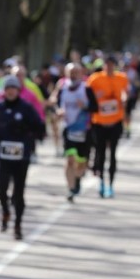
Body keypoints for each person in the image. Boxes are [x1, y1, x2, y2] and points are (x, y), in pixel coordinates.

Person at [0, 76, 45, 240]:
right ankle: (5, 212)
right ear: (4, 91)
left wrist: (28, 132)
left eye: (14, 88)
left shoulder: (26, 108)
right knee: (1, 189)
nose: (10, 91)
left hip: (21, 156)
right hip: (3, 155)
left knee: (18, 193)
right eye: (8, 88)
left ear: (19, 90)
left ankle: (18, 225)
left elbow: (39, 126)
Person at [86, 55, 128, 198]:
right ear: (103, 65)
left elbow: (126, 93)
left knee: (113, 154)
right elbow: (87, 97)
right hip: (99, 122)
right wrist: (95, 97)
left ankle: (111, 185)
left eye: (111, 65)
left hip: (116, 121)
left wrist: (124, 99)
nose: (109, 67)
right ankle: (102, 182)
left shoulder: (122, 78)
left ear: (115, 66)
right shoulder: (95, 79)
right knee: (100, 153)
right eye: (107, 64)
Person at [53, 63, 91, 202]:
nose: (73, 75)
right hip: (67, 128)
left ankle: (77, 178)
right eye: (71, 72)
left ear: (81, 73)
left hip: (84, 130)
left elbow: (95, 107)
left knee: (81, 162)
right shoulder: (62, 87)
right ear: (66, 73)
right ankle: (70, 188)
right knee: (69, 160)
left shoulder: (86, 88)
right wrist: (58, 110)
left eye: (76, 72)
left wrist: (86, 106)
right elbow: (55, 101)